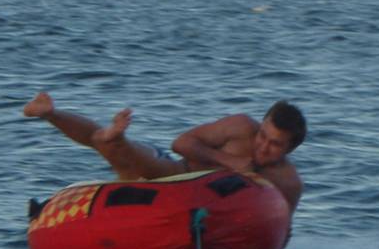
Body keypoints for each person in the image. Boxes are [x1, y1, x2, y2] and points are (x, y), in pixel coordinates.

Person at [22, 91, 305, 212]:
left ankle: (110, 137)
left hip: (210, 213)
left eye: (275, 144)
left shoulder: (289, 183)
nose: (263, 146)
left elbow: (281, 230)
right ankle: (50, 113)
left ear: (290, 149)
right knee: (112, 145)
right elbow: (181, 144)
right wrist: (229, 161)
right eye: (263, 135)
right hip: (173, 176)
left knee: (114, 151)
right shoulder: (240, 127)